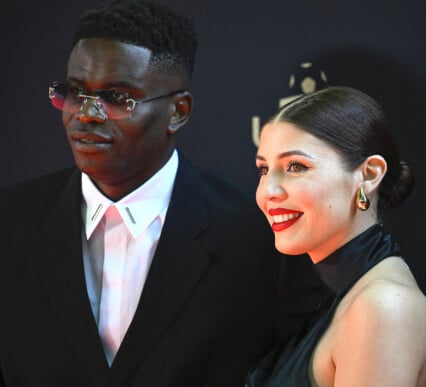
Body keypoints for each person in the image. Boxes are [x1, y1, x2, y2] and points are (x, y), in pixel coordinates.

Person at [0, 1, 326, 386]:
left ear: (178, 111)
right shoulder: (11, 222)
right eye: (74, 92)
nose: (86, 113)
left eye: (117, 98)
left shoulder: (260, 235)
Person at [246, 86, 426, 386]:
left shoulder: (383, 306)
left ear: (369, 174)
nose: (268, 192)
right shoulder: (348, 291)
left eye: (296, 166)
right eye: (264, 169)